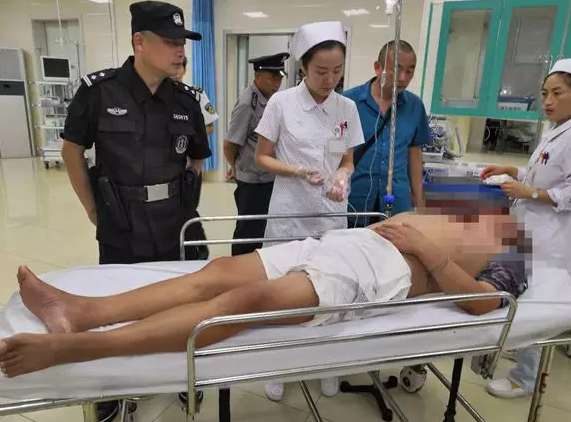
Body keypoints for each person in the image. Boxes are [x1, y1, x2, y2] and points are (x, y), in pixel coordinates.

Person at [0, 208, 526, 379]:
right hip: (346, 243)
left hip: (375, 270)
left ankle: (76, 347)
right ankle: (83, 311)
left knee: (242, 304)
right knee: (216, 272)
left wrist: (425, 249)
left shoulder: (515, 251)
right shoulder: (475, 208)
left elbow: (488, 303)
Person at [59, 1, 210, 419]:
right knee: (116, 307)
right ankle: (113, 388)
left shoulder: (186, 99)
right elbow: (72, 150)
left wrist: (185, 198)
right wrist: (92, 207)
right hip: (121, 220)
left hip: (174, 222)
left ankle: (179, 376)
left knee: (176, 306)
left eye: (183, 42)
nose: (180, 50)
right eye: (171, 41)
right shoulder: (99, 91)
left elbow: (197, 157)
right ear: (139, 42)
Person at [253, 21, 365, 399]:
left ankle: (325, 364)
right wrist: (298, 171)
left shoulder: (346, 107)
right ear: (303, 66)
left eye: (337, 71)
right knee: (282, 289)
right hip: (289, 210)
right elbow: (262, 157)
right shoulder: (282, 103)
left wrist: (343, 178)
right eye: (321, 71)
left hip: (331, 212)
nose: (330, 80)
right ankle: (277, 366)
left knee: (332, 288)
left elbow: (347, 160)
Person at [481, 58, 571, 399]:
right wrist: (512, 171)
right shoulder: (555, 131)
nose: (548, 101)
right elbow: (543, 175)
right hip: (530, 229)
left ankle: (526, 377)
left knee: (537, 304)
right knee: (523, 294)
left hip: (551, 237)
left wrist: (528, 192)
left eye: (557, 93)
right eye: (545, 93)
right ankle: (521, 350)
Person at [343, 40, 430, 226]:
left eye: (410, 71)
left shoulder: (414, 106)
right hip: (354, 201)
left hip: (397, 204)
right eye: (397, 70)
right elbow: (334, 150)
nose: (403, 78)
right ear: (378, 68)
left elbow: (414, 153)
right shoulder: (349, 102)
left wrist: (419, 200)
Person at [223, 53, 290, 256]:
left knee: (262, 227)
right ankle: (239, 266)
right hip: (253, 180)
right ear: (258, 76)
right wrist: (236, 167)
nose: (277, 83)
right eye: (272, 78)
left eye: (279, 78)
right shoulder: (248, 104)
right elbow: (230, 143)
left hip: (268, 177)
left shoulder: (272, 100)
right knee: (248, 230)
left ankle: (257, 264)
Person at [173, 56, 219, 260]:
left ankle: (198, 247)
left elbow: (209, 127)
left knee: (188, 207)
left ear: (184, 70)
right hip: (163, 166)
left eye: (179, 67)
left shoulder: (195, 95)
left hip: (190, 165)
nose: (175, 72)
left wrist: (185, 132)